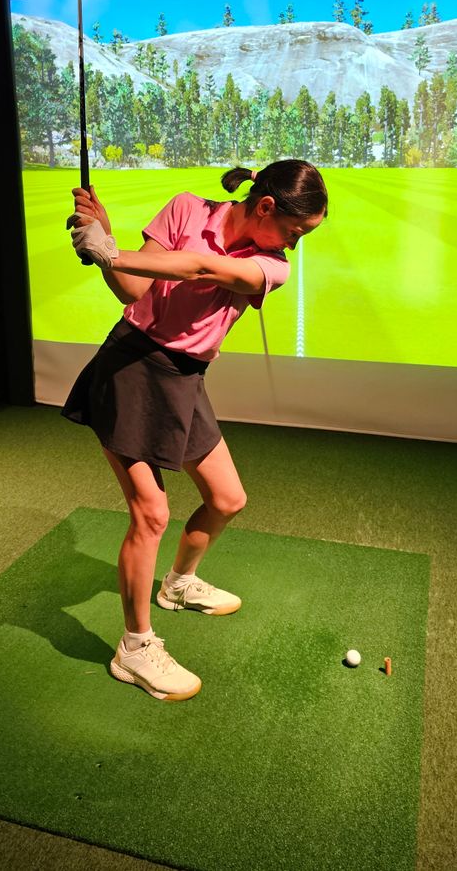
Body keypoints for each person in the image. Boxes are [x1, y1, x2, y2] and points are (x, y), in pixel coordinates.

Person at [64, 160, 328, 702]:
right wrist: (105, 245)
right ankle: (134, 650)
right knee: (151, 514)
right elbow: (133, 291)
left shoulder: (271, 265)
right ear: (266, 206)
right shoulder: (186, 207)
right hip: (131, 368)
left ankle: (177, 585)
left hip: (185, 378)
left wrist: (109, 247)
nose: (295, 245)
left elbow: (199, 270)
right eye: (296, 231)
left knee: (228, 498)